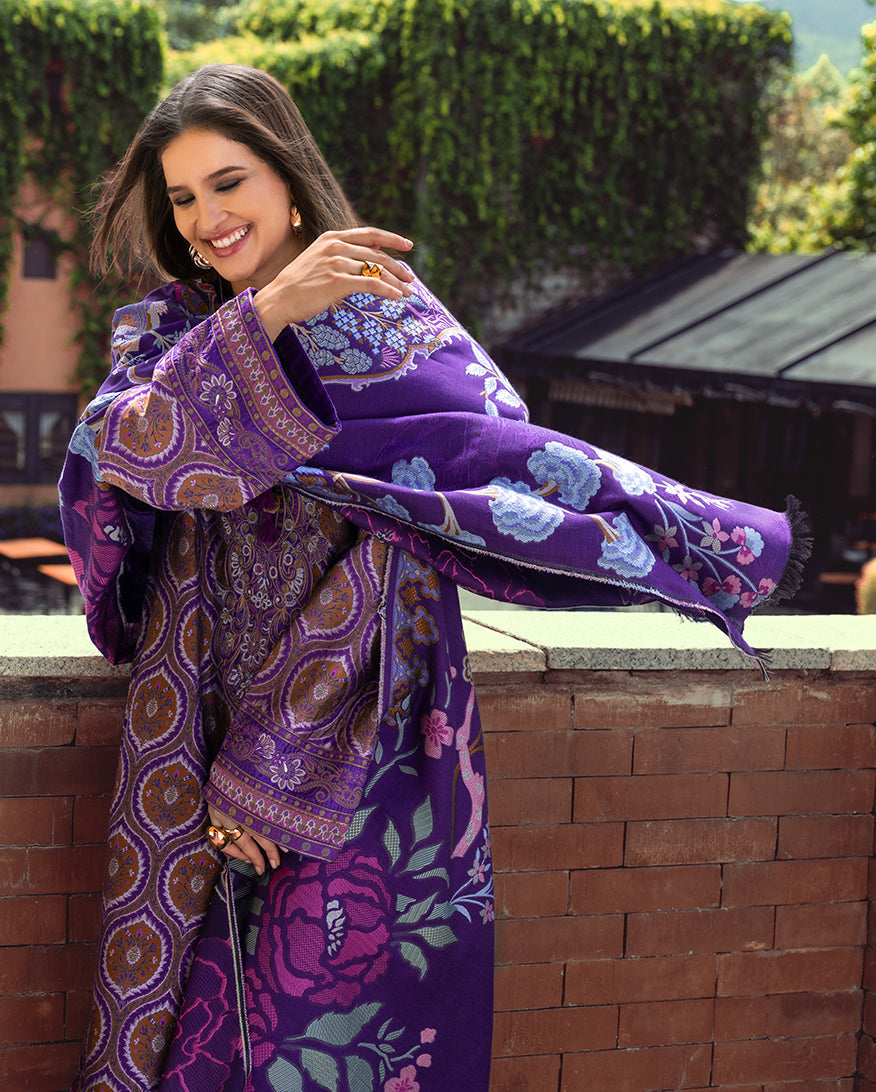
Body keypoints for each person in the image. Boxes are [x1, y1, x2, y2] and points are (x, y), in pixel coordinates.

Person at [59, 63, 810, 1092]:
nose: (207, 218)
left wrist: (266, 763)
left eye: (228, 182)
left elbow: (418, 527)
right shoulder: (171, 327)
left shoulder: (387, 316)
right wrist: (267, 310)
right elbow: (127, 454)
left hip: (349, 732)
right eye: (183, 197)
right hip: (182, 715)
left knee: (307, 1033)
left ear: (288, 177)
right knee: (168, 1016)